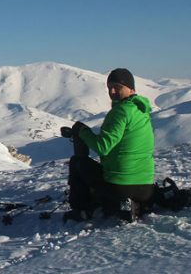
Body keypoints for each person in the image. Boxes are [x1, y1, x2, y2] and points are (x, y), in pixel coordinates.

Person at [64, 68, 155, 222]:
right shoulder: (141, 110)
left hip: (122, 187)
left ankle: (80, 209)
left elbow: (102, 147)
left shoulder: (121, 111)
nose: (112, 91)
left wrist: (82, 131)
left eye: (117, 87)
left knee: (78, 162)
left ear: (131, 88)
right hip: (146, 188)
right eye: (109, 87)